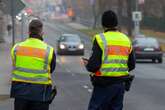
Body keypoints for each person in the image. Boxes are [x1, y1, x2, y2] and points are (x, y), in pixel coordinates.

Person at [83, 10, 136, 110]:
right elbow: (132, 65)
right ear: (116, 23)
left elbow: (94, 66)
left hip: (103, 84)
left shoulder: (100, 39)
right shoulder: (126, 39)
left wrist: (87, 64)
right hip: (120, 85)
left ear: (103, 24)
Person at [10, 19, 56, 110]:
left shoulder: (16, 48)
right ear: (42, 32)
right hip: (40, 94)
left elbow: (15, 64)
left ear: (28, 32)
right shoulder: (49, 50)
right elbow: (51, 69)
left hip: (20, 92)